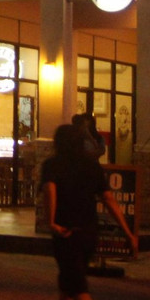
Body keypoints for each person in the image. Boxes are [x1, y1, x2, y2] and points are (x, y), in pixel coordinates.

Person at [42, 123, 138, 300]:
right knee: (68, 282)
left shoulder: (52, 164)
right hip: (89, 232)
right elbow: (109, 200)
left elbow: (50, 190)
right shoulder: (92, 166)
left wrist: (51, 222)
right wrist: (127, 232)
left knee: (78, 288)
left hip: (66, 232)